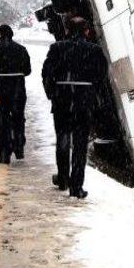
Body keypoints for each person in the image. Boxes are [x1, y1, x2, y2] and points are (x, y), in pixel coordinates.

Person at [42, 17, 108, 198]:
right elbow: (101, 76)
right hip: (84, 102)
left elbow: (46, 74)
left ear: (67, 30)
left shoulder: (57, 48)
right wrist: (93, 95)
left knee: (63, 140)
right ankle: (76, 186)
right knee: (80, 145)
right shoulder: (94, 50)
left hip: (62, 100)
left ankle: (63, 178)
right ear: (86, 31)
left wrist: (53, 94)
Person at [0, 25, 31, 164]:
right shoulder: (21, 49)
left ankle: (4, 154)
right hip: (18, 88)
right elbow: (28, 70)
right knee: (18, 119)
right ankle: (19, 148)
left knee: (1, 121)